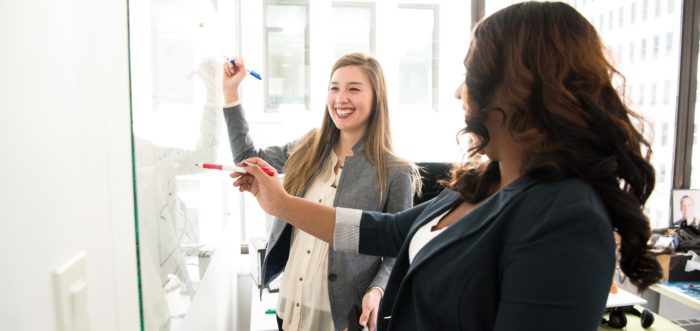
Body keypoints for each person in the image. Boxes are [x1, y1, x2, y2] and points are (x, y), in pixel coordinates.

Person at [230, 2, 663, 330]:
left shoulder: (565, 215)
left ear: (519, 86)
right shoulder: (479, 183)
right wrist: (280, 204)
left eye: (470, 73)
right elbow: (389, 230)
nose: (459, 92)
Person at [222, 52, 420, 331]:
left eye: (354, 89)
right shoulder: (309, 146)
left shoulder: (396, 171)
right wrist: (231, 92)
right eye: (334, 88)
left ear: (377, 98)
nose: (341, 98)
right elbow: (247, 157)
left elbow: (398, 251)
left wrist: (377, 291)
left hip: (340, 317)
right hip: (290, 306)